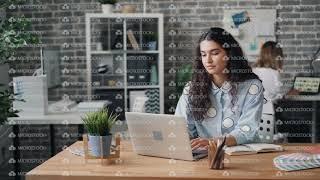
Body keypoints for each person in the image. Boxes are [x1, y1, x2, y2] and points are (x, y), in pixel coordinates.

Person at [175, 27, 264, 150]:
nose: (208, 60)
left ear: (229, 54)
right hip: (205, 156)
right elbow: (182, 127)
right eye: (203, 54)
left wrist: (212, 142)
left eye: (215, 53)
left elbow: (247, 130)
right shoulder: (191, 89)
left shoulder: (252, 86)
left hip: (244, 154)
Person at [252, 41, 299, 114]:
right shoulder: (274, 74)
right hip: (266, 115)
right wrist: (289, 94)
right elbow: (276, 99)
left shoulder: (252, 71)